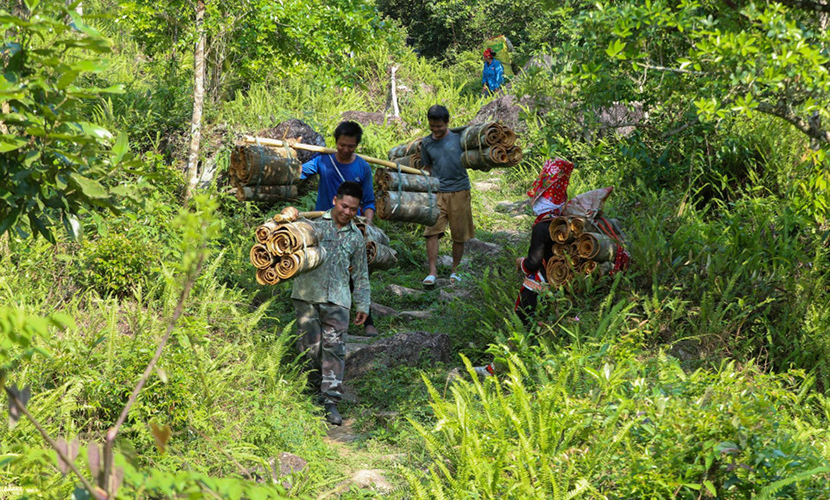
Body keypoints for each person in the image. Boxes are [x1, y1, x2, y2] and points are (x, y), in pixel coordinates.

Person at [473, 158, 574, 379]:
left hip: (536, 286)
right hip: (559, 285)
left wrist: (520, 262)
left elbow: (533, 263)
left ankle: (498, 369)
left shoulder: (542, 226)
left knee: (522, 324)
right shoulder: (565, 222)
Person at [285, 181, 370, 426]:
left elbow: (361, 274)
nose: (347, 212)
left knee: (334, 349)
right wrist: (288, 216)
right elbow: (284, 236)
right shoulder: (312, 226)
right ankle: (311, 394)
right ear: (335, 200)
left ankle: (330, 400)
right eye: (344, 206)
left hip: (338, 299)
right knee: (309, 347)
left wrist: (363, 305)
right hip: (307, 295)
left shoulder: (356, 237)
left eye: (353, 209)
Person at [300, 121, 379, 336]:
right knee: (319, 269)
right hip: (322, 226)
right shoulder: (323, 161)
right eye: (342, 145)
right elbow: (297, 173)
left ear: (356, 146)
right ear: (336, 142)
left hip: (351, 227)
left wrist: (366, 224)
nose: (345, 150)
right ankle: (316, 321)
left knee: (356, 273)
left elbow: (369, 201)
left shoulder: (362, 167)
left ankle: (367, 318)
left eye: (350, 147)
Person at [420, 105, 475, 287]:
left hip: (460, 191)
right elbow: (427, 168)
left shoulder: (460, 139)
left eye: (439, 127)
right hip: (437, 192)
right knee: (431, 232)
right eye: (432, 126)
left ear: (447, 123)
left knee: (459, 234)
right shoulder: (427, 143)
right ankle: (432, 272)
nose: (435, 130)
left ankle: (455, 270)